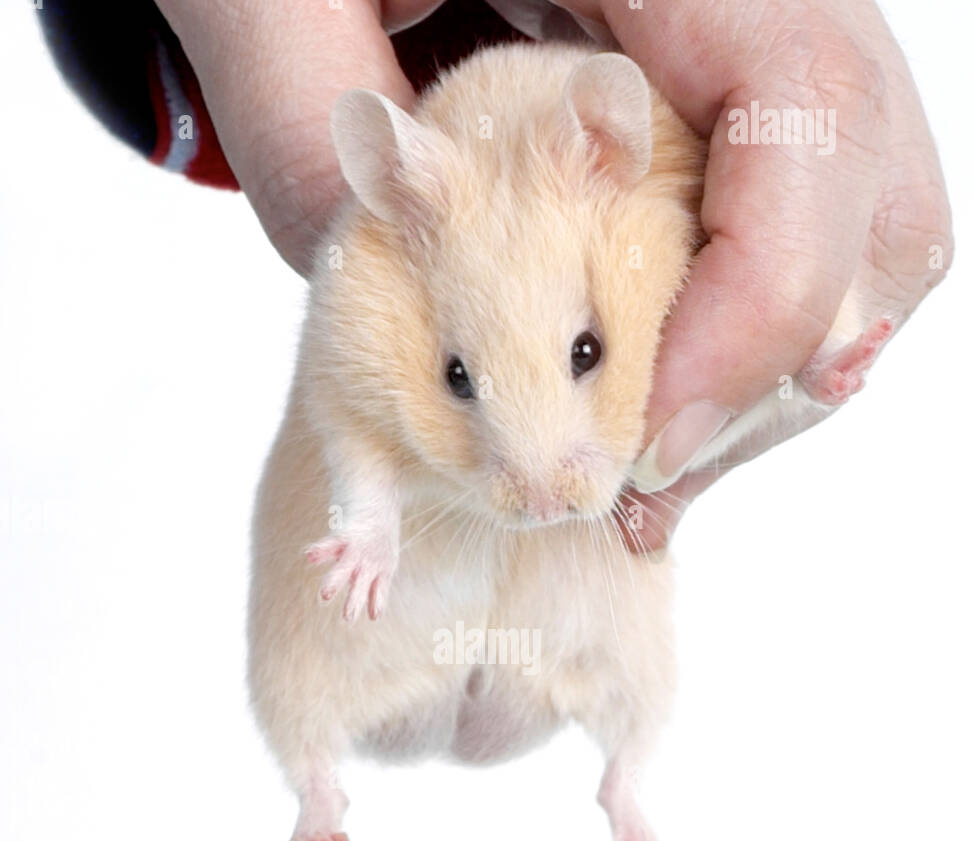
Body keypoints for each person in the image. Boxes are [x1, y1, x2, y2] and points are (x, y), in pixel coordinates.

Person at [39, 0, 952, 548]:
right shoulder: (387, 275)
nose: (543, 491)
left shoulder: (636, 194)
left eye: (585, 351)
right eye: (460, 378)